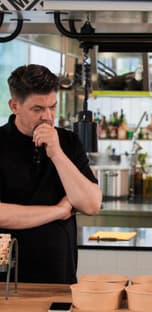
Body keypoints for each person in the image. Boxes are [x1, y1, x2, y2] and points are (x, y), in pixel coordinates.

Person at [0, 64, 102, 283]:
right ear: (14, 105)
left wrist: (56, 153)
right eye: (37, 109)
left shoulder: (68, 142)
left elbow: (92, 204)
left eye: (52, 107)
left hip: (60, 276)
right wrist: (57, 211)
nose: (47, 116)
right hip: (7, 280)